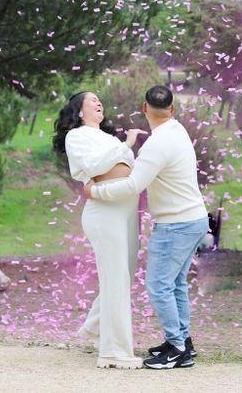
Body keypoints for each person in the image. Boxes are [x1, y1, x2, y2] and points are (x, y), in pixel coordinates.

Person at [85, 85, 208, 370]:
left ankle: (177, 348)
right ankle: (182, 342)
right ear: (173, 109)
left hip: (176, 224)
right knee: (175, 284)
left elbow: (133, 185)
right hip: (194, 219)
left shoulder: (156, 144)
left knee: (158, 286)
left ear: (144, 108)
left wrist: (96, 192)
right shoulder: (178, 131)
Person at [52, 91, 146, 369]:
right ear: (79, 110)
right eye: (91, 100)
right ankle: (113, 352)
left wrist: (122, 148)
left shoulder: (108, 138)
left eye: (99, 100)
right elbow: (94, 166)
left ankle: (95, 326)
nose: (98, 102)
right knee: (116, 278)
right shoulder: (77, 136)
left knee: (123, 277)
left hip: (126, 211)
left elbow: (124, 165)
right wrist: (126, 145)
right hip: (104, 211)